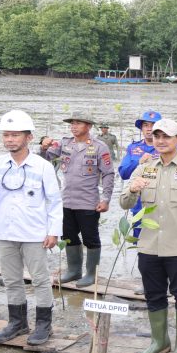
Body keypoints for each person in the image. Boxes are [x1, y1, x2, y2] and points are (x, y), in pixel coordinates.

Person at [0, 110, 62, 345]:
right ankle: (17, 323)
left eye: (15, 135)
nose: (9, 140)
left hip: (35, 233)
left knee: (40, 280)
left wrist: (54, 231)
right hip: (5, 233)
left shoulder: (42, 166)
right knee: (11, 280)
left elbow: (55, 201)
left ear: (28, 137)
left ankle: (43, 325)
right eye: (6, 135)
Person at [120, 119, 177, 353]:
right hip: (148, 246)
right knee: (153, 295)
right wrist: (133, 190)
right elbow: (124, 204)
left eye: (166, 136)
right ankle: (159, 341)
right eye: (157, 136)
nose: (160, 140)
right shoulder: (145, 168)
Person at [40, 114, 114, 288]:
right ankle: (74, 271)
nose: (73, 126)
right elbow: (45, 159)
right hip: (66, 200)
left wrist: (106, 199)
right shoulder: (64, 143)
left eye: (78, 123)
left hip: (88, 201)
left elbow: (108, 173)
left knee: (90, 239)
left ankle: (91, 274)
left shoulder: (99, 147)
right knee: (68, 236)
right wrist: (43, 147)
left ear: (88, 126)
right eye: (72, 123)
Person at [119, 110, 162, 295]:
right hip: (139, 205)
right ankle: (147, 283)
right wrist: (140, 163)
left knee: (163, 243)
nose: (149, 129)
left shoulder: (168, 147)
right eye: (145, 125)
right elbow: (123, 173)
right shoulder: (133, 148)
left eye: (152, 126)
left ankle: (164, 282)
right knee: (142, 244)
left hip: (162, 204)